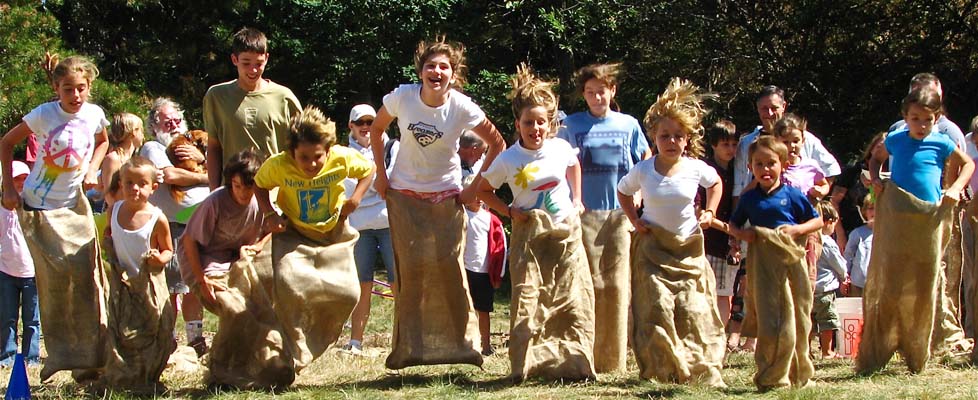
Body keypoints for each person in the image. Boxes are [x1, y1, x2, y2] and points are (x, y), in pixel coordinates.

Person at [368, 36, 505, 369]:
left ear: (453, 74)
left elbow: (497, 143)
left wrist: (474, 187)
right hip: (404, 196)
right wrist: (381, 175)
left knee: (450, 272)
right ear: (421, 70)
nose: (437, 71)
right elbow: (376, 129)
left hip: (446, 196)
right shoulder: (403, 97)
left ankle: (463, 348)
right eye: (431, 65)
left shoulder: (461, 106)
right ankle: (407, 351)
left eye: (444, 66)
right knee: (410, 273)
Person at [477, 64, 593, 380]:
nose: (535, 128)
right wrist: (509, 211)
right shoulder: (509, 159)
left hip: (565, 234)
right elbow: (483, 191)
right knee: (527, 300)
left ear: (549, 124)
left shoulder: (560, 147)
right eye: (529, 123)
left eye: (541, 122)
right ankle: (523, 367)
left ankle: (573, 365)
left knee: (569, 298)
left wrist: (577, 199)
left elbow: (573, 165)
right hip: (528, 238)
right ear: (518, 124)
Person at [0, 55, 110, 382]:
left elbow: (102, 141)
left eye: (80, 89)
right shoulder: (44, 115)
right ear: (56, 88)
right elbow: (6, 143)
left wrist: (92, 168)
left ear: (89, 87)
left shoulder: (94, 115)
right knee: (54, 286)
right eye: (67, 89)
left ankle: (93, 357)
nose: (75, 96)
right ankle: (60, 355)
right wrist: (8, 188)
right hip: (39, 206)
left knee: (88, 278)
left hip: (74, 206)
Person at [618, 77, 725, 387]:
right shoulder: (644, 169)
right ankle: (661, 367)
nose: (671, 141)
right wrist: (634, 220)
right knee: (657, 306)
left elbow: (715, 182)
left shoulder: (694, 167)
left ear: (686, 139)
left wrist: (710, 212)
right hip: (653, 249)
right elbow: (623, 191)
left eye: (678, 136)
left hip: (688, 249)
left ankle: (697, 365)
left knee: (693, 308)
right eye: (665, 135)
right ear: (654, 136)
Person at [859, 87, 974, 374]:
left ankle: (917, 349)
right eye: (915, 119)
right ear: (904, 117)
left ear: (936, 118)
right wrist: (875, 180)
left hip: (928, 219)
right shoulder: (896, 139)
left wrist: (956, 189)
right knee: (892, 281)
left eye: (927, 120)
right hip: (898, 217)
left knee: (925, 283)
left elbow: (968, 164)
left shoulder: (942, 142)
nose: (921, 126)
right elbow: (875, 158)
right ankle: (881, 348)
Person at [557, 62, 650, 372]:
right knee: (584, 284)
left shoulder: (629, 124)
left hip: (619, 215)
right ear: (583, 94)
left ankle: (613, 359)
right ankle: (582, 354)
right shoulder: (571, 124)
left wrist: (637, 193)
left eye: (601, 91)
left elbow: (646, 159)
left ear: (613, 91)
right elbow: (557, 163)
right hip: (583, 214)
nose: (596, 97)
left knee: (617, 285)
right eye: (590, 92)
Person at [726, 136, 823, 390]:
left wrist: (797, 230)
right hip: (763, 267)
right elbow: (733, 224)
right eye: (759, 164)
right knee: (770, 320)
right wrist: (742, 234)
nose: (765, 169)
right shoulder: (749, 199)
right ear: (750, 167)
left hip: (792, 264)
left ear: (783, 164)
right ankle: (770, 375)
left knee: (798, 319)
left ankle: (800, 373)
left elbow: (817, 221)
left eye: (771, 163)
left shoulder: (792, 195)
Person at [142, 97, 211, 356]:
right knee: (171, 287)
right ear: (153, 127)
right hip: (169, 227)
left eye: (176, 118)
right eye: (165, 120)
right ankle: (166, 341)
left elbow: (222, 170)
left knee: (195, 285)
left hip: (199, 224)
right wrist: (207, 175)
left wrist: (201, 158)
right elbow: (169, 175)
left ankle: (195, 339)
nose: (173, 124)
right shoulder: (153, 147)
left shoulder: (197, 143)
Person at [100, 157, 175, 391]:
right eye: (129, 183)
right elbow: (108, 234)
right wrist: (107, 244)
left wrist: (158, 259)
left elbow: (169, 251)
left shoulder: (156, 218)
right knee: (121, 328)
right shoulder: (115, 210)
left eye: (141, 183)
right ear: (120, 184)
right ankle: (125, 374)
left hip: (150, 284)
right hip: (122, 284)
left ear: (153, 188)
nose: (134, 188)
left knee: (154, 328)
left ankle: (150, 376)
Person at [204, 27, 302, 190]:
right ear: (234, 59)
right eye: (246, 63)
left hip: (276, 193)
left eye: (259, 63)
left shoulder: (284, 97)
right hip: (233, 192)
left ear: (267, 59)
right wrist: (214, 192)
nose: (253, 70)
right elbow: (214, 147)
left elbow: (301, 147)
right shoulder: (217, 96)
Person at [179, 150, 266, 320]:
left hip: (233, 256)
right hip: (202, 257)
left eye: (248, 187)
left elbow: (274, 228)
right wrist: (201, 279)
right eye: (237, 186)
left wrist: (259, 245)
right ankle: (197, 337)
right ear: (230, 183)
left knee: (257, 300)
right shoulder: (215, 202)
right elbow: (189, 241)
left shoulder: (261, 201)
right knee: (225, 300)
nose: (242, 193)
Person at [342, 104, 396, 355]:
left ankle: (402, 338)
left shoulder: (392, 148)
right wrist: (373, 181)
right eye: (360, 122)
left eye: (370, 121)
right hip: (358, 227)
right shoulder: (341, 153)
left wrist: (366, 183)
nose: (365, 127)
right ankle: (355, 342)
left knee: (398, 283)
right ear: (350, 126)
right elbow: (349, 191)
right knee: (361, 285)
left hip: (389, 224)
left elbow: (390, 185)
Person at [733, 85, 840, 198]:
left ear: (783, 106)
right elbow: (739, 185)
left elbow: (831, 167)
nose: (769, 113)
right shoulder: (747, 143)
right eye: (764, 108)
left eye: (774, 108)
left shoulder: (804, 138)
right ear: (757, 108)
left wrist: (818, 196)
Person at [699, 121, 739, 335]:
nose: (730, 150)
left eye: (734, 144)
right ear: (714, 145)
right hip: (707, 239)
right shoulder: (704, 172)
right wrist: (727, 228)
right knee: (704, 290)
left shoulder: (737, 172)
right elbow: (700, 209)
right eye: (725, 144)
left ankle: (718, 337)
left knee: (724, 292)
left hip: (728, 244)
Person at [0, 161, 39, 367]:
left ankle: (31, 357)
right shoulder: (2, 210)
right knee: (7, 317)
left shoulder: (34, 209)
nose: (21, 183)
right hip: (6, 271)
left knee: (32, 320)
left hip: (31, 273)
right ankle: (7, 355)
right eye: (17, 179)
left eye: (25, 179)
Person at [461, 174, 504, 357]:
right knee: (463, 308)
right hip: (463, 270)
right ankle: (465, 344)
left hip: (484, 271)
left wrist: (498, 275)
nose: (477, 199)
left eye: (481, 195)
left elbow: (500, 247)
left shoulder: (491, 219)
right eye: (474, 194)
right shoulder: (460, 216)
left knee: (484, 310)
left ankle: (486, 345)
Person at [830, 132, 886, 250]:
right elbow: (834, 202)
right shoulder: (853, 171)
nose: (882, 152)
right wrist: (840, 234)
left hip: (882, 232)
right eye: (879, 147)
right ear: (872, 148)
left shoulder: (894, 173)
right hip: (850, 229)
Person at [888, 73, 966, 149]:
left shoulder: (948, 132)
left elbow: (962, 161)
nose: (924, 98)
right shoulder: (896, 129)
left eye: (931, 94)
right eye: (917, 94)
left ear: (940, 97)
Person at [811, 200, 847, 359]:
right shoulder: (828, 243)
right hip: (825, 290)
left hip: (810, 289)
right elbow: (838, 264)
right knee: (828, 322)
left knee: (809, 322)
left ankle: (806, 351)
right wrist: (844, 276)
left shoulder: (809, 240)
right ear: (827, 222)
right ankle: (827, 351)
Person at [100, 113, 144, 210]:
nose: (143, 135)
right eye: (141, 130)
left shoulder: (134, 159)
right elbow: (108, 195)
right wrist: (120, 214)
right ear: (134, 132)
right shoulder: (113, 159)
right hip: (117, 214)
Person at [843, 194, 874, 297]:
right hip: (858, 284)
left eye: (878, 208)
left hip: (880, 284)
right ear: (865, 211)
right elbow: (848, 255)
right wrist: (845, 276)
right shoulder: (858, 233)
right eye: (870, 208)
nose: (874, 212)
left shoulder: (888, 233)